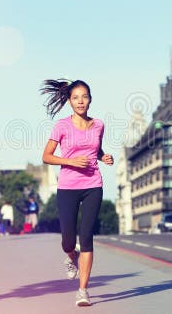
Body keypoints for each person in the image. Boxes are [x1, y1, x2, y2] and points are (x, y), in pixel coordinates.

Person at [41, 79, 113, 307]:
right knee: (68, 241)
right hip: (68, 187)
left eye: (84, 96)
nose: (80, 101)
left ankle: (83, 290)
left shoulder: (99, 125)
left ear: (90, 99)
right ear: (69, 101)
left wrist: (104, 157)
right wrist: (71, 161)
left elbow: (96, 149)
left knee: (87, 236)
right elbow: (47, 156)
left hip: (93, 184)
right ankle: (71, 257)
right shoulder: (62, 126)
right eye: (76, 98)